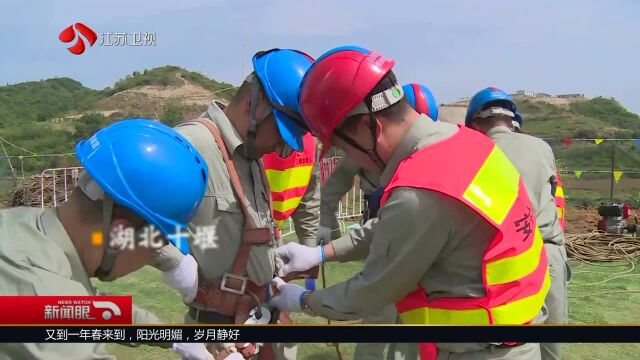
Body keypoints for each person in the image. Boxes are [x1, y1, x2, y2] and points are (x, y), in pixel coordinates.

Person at [270, 45, 550, 360]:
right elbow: (397, 227)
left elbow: (371, 290)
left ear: (368, 127)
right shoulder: (466, 144)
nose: (348, 159)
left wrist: (302, 300)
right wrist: (320, 254)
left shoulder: (420, 190)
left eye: (342, 147)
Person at [0, 119, 217, 360]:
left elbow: (91, 310)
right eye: (157, 245)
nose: (154, 255)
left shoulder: (21, 225)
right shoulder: (48, 305)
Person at [152, 48, 315, 360]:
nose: (281, 149)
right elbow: (119, 227)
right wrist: (173, 260)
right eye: (281, 133)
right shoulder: (192, 146)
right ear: (254, 105)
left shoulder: (249, 156)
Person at [316, 82, 439, 360]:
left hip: (420, 236)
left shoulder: (431, 155)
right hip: (381, 233)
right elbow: (334, 187)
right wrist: (327, 225)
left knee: (413, 314)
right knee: (378, 313)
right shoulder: (365, 149)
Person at [465, 87, 570, 360]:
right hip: (549, 254)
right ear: (513, 121)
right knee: (551, 343)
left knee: (510, 344)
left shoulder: (472, 150)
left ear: (475, 124)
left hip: (503, 259)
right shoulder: (541, 147)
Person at [263, 131, 321, 291]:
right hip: (255, 225)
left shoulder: (311, 143)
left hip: (274, 224)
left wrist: (311, 257)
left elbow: (308, 204)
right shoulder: (251, 139)